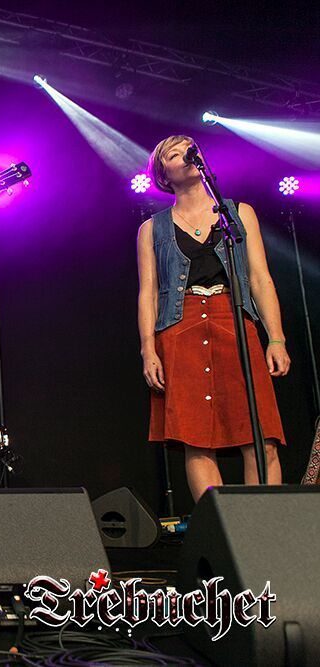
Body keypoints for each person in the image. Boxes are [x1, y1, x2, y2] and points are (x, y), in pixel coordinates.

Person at [137, 135, 289, 503]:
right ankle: (221, 530)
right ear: (164, 175)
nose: (186, 155)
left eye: (189, 149)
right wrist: (148, 350)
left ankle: (265, 530)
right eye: (173, 154)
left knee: (260, 435)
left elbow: (259, 278)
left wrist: (276, 338)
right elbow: (148, 293)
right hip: (180, 328)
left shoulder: (238, 213)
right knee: (196, 441)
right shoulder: (151, 229)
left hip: (233, 321)